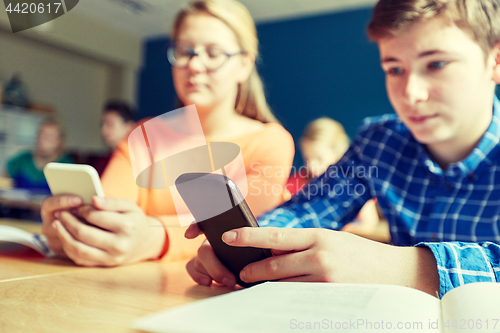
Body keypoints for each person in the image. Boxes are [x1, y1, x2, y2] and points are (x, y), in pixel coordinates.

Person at [186, 0, 500, 298]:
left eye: (436, 64)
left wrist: (404, 267)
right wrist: (255, 243)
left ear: (495, 61)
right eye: (394, 69)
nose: (411, 93)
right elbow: (310, 209)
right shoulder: (380, 141)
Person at [39, 0, 294, 266]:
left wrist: (154, 238)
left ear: (244, 65)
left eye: (214, 53)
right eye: (185, 51)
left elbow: (241, 235)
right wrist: (76, 229)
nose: (195, 65)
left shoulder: (270, 142)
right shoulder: (143, 136)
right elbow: (108, 211)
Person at [285, 117, 387, 241]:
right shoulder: (298, 181)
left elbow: (368, 224)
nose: (311, 166)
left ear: (338, 154)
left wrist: (335, 231)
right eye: (307, 158)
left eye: (319, 158)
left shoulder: (353, 185)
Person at [6, 118, 73, 193]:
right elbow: (4, 182)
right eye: (40, 135)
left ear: (59, 141)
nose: (42, 140)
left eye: (48, 137)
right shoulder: (22, 160)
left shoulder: (67, 167)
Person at [88, 100, 135, 176]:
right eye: (102, 125)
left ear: (129, 127)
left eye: (110, 124)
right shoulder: (102, 161)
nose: (103, 130)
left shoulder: (134, 161)